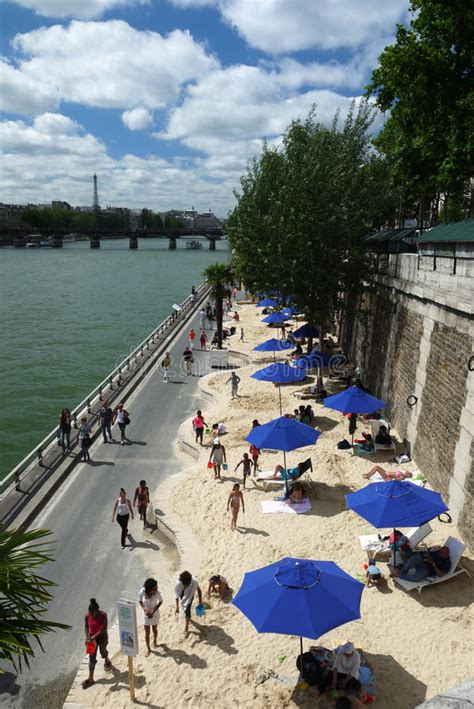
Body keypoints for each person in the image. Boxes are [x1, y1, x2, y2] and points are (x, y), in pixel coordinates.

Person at [82, 598, 111, 688]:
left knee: (103, 652)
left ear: (97, 611)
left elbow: (104, 629)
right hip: (91, 639)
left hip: (102, 637)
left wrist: (93, 637)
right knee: (92, 657)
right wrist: (87, 637)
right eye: (90, 613)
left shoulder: (103, 615)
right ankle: (91, 678)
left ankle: (106, 660)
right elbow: (86, 626)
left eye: (92, 613)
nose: (91, 615)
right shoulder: (87, 616)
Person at [138, 577, 163, 657]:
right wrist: (145, 610)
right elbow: (140, 601)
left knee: (155, 629)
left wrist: (153, 611)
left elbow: (161, 601)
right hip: (146, 615)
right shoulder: (142, 591)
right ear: (149, 588)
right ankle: (148, 648)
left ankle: (155, 642)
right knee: (147, 632)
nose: (156, 588)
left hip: (155, 614)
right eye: (155, 587)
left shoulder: (157, 593)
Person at [175, 570, 203, 636]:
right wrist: (177, 607)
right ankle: (188, 618)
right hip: (182, 593)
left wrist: (200, 602)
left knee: (188, 608)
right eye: (185, 586)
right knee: (185, 609)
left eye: (187, 586)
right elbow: (176, 595)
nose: (186, 587)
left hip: (190, 595)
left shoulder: (194, 582)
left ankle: (186, 627)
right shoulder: (178, 584)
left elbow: (199, 591)